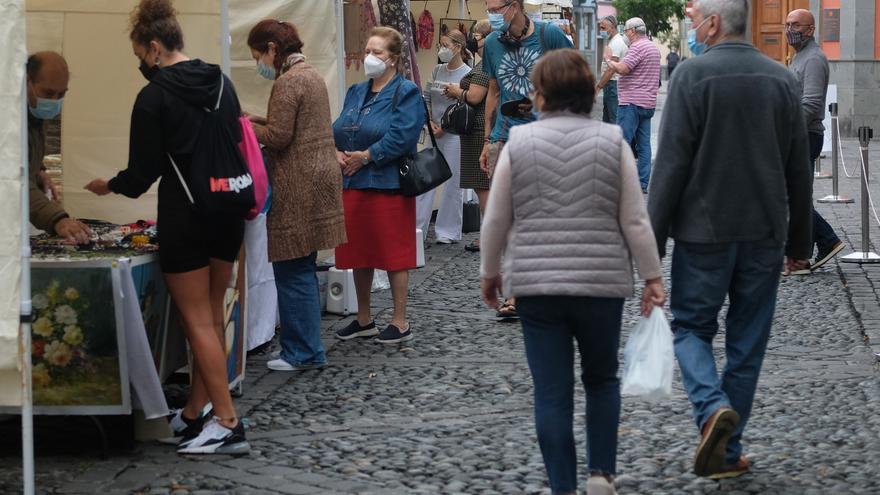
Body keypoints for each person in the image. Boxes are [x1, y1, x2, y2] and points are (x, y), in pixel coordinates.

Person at [480, 49, 665, 495]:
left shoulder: (519, 143)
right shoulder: (612, 142)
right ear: (587, 93)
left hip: (537, 286)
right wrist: (653, 277)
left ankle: (563, 486)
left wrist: (490, 273)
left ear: (539, 95)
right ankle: (601, 473)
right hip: (601, 284)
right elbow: (635, 219)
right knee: (602, 379)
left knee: (551, 391)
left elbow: (496, 220)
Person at [648, 0, 812, 479]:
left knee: (691, 330)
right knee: (747, 344)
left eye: (698, 20)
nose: (695, 28)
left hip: (703, 234)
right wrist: (799, 245)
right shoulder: (783, 80)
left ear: (715, 23)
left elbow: (670, 166)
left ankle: (710, 406)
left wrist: (652, 247)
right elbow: (798, 171)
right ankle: (726, 448)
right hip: (764, 232)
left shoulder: (691, 78)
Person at [84, 0, 249, 455]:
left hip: (187, 214)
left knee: (197, 320)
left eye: (141, 55)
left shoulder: (154, 97)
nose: (141, 64)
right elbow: (236, 138)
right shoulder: (220, 80)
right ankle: (197, 414)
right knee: (213, 314)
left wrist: (107, 185)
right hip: (228, 205)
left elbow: (142, 175)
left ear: (154, 47)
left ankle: (228, 422)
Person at [246, 20, 347, 372]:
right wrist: (260, 118)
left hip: (297, 184)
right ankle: (308, 348)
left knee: (292, 271)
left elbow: (279, 136)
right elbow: (294, 124)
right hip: (317, 180)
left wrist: (244, 126)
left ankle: (302, 351)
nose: (259, 61)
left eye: (258, 54)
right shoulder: (310, 74)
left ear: (273, 48)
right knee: (303, 266)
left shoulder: (288, 81)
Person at [480, 0, 573, 320]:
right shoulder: (491, 43)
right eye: (487, 7)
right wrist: (488, 139)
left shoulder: (550, 37)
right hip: (506, 139)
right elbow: (493, 91)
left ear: (516, 5)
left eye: (496, 7)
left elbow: (575, 83)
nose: (491, 14)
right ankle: (516, 292)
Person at [331, 27, 425, 344]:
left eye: (378, 52)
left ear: (394, 58)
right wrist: (339, 152)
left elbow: (403, 134)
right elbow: (339, 126)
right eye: (368, 51)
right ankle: (364, 318)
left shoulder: (406, 91)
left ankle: (399, 320)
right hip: (354, 180)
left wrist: (368, 156)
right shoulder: (356, 90)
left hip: (388, 182)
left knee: (393, 252)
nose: (370, 57)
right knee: (359, 251)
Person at [786, 8, 844, 273]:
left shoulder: (813, 59)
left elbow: (810, 105)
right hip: (797, 135)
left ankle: (826, 241)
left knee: (793, 198)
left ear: (810, 29)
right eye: (788, 24)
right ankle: (806, 253)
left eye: (796, 25)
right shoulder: (799, 57)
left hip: (805, 136)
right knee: (795, 196)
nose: (790, 29)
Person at [26, 52, 92, 244]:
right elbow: (11, 179)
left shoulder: (35, 111)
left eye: (61, 94)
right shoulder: (8, 116)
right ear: (27, 81)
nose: (54, 100)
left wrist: (38, 170)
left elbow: (26, 153)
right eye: (48, 93)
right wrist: (57, 219)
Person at [416, 29, 472, 244]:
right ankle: (418, 229)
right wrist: (430, 120)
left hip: (454, 135)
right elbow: (427, 96)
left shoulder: (467, 74)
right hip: (433, 131)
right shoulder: (437, 70)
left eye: (445, 45)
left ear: (458, 47)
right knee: (426, 179)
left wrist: (445, 128)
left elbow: (466, 104)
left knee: (453, 183)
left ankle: (447, 231)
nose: (442, 49)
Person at [442, 20, 492, 252]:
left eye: (476, 35)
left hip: (478, 129)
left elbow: (474, 97)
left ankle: (488, 236)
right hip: (475, 130)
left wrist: (456, 91)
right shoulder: (484, 64)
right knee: (484, 186)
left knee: (483, 187)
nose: (473, 38)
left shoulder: (484, 68)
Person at [606, 17, 661, 192]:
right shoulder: (653, 47)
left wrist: (609, 61)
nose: (625, 34)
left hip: (631, 103)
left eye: (626, 31)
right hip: (648, 103)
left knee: (623, 142)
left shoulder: (637, 47)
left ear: (633, 31)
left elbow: (623, 68)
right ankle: (643, 183)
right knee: (644, 145)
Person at [596, 15, 627, 124]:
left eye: (603, 28)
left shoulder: (616, 42)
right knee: (608, 117)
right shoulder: (613, 41)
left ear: (613, 27)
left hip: (613, 84)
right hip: (610, 84)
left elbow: (611, 70)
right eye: (600, 28)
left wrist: (599, 86)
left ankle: (616, 140)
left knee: (613, 118)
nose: (601, 31)